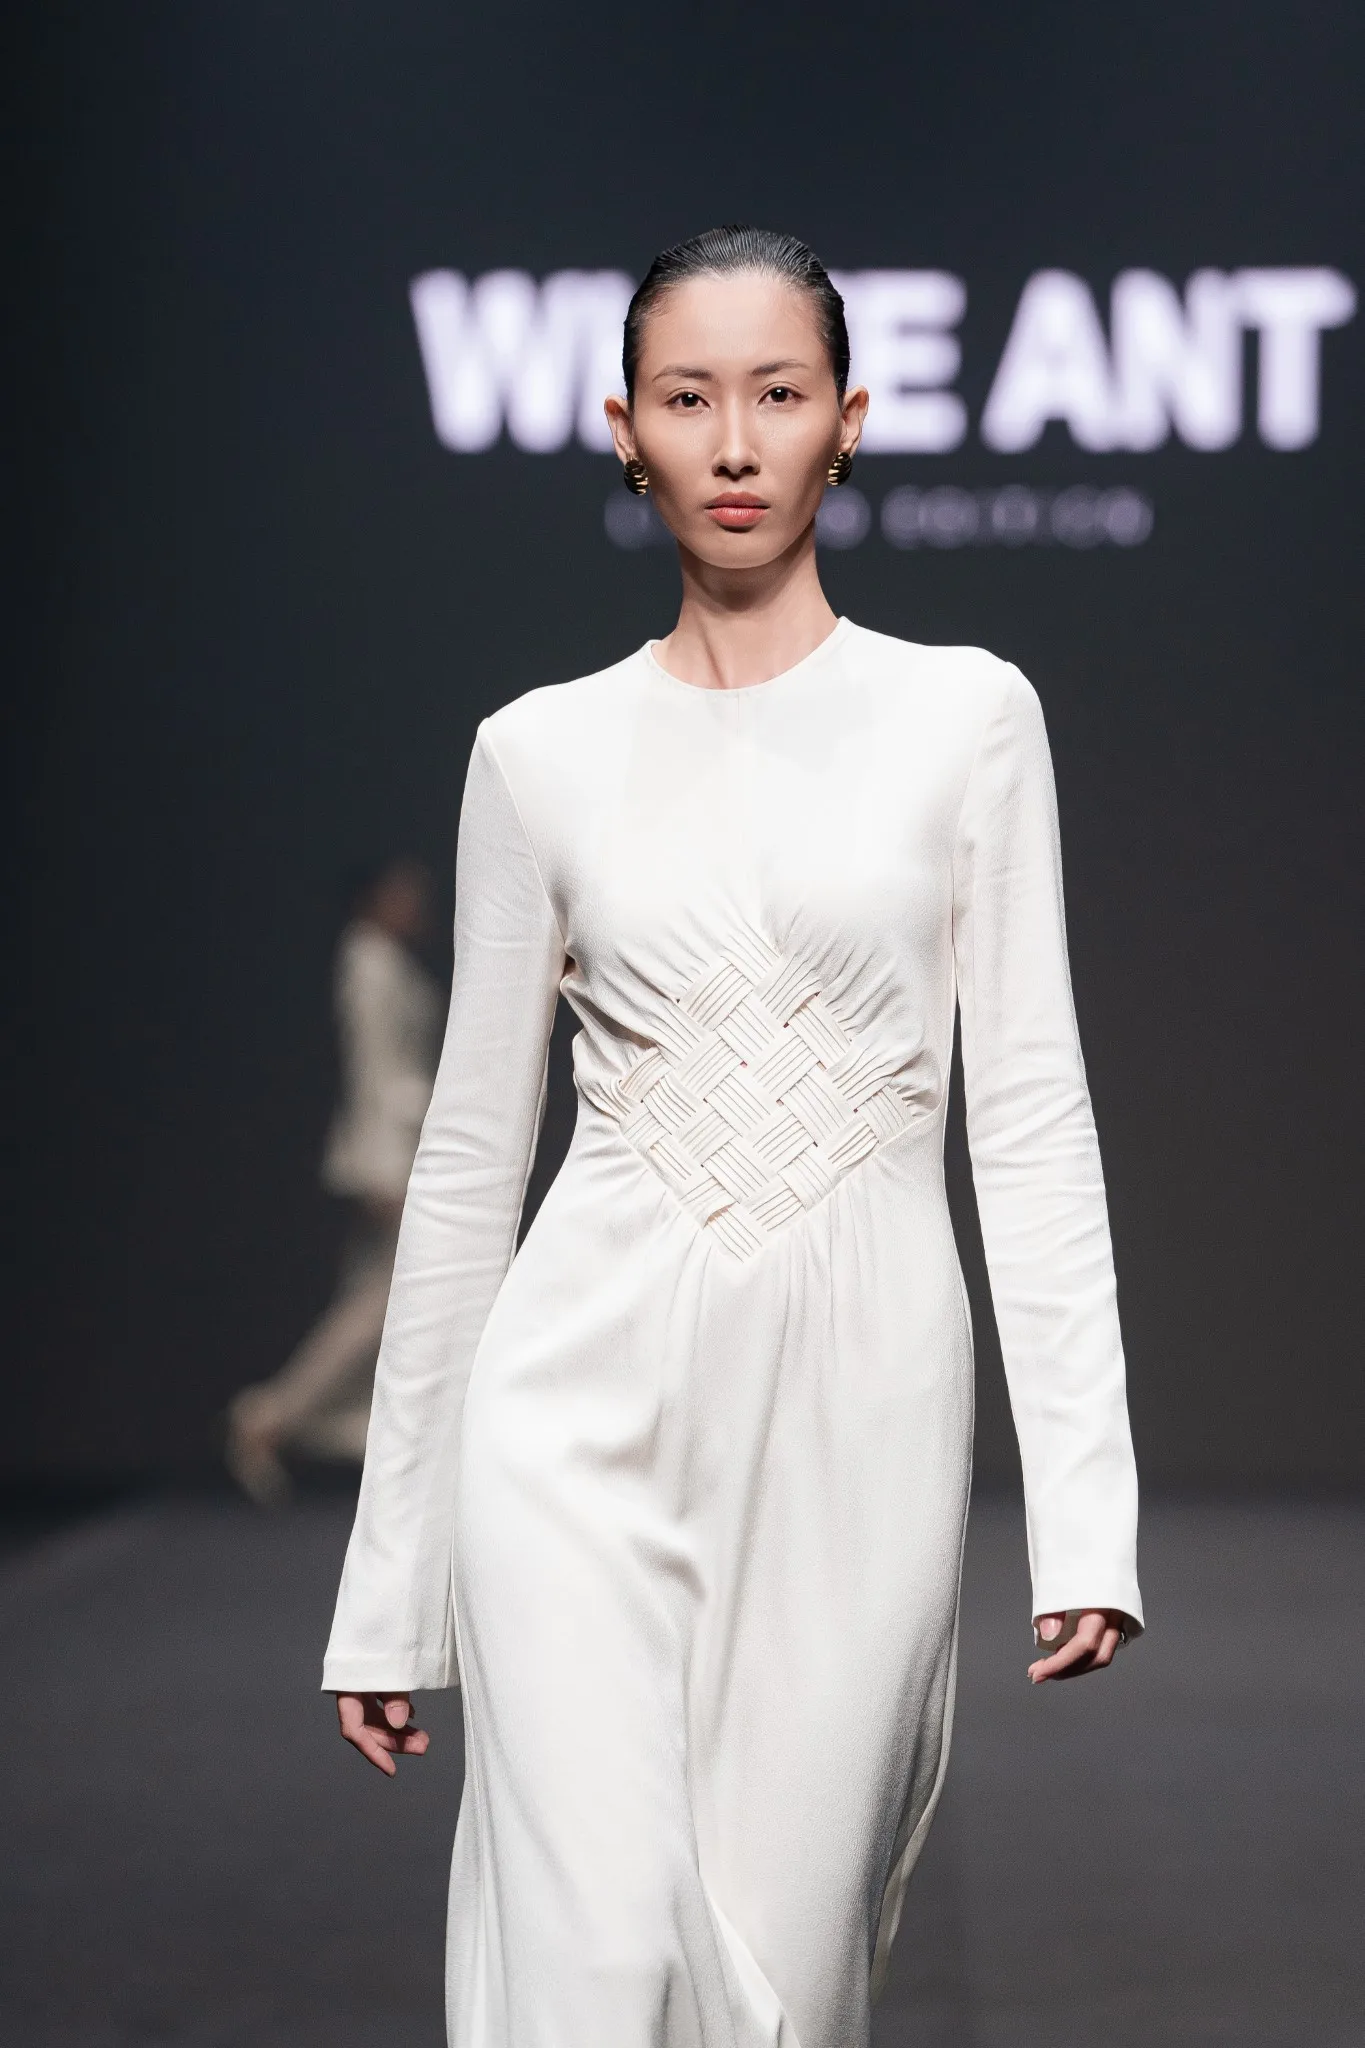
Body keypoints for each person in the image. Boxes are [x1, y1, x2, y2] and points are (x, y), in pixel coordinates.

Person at [323, 227, 1143, 2047]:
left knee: (789, 1981)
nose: (738, 439)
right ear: (627, 431)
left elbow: (1029, 1112)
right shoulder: (535, 752)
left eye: (779, 393)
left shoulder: (966, 716)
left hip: (863, 1405)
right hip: (572, 1411)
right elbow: (467, 1166)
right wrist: (390, 1591)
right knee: (596, 1964)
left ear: (850, 420)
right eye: (689, 398)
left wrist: (1086, 1509)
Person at [227, 856, 440, 1504]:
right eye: (401, 891)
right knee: (383, 1300)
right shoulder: (368, 963)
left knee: (376, 1295)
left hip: (402, 1146)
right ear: (373, 898)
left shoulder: (383, 962)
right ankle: (277, 1415)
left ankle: (328, 1427)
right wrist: (384, 1167)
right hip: (389, 1154)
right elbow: (372, 1071)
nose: (415, 902)